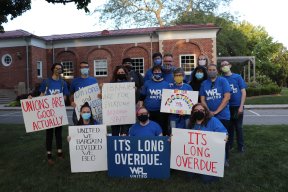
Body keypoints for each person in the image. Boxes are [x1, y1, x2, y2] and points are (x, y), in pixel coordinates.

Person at [36, 63, 69, 165]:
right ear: (52, 69)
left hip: (58, 112)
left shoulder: (63, 83)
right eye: (57, 68)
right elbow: (41, 95)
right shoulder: (46, 82)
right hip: (48, 113)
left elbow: (65, 97)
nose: (59, 70)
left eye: (60, 68)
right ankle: (49, 155)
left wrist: (58, 97)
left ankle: (59, 153)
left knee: (59, 134)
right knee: (49, 134)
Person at [199, 64, 231, 166]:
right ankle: (212, 158)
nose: (211, 71)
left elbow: (227, 97)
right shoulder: (204, 83)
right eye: (209, 70)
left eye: (213, 70)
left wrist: (216, 111)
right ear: (207, 72)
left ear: (217, 71)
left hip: (223, 115)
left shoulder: (223, 81)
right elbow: (202, 99)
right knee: (210, 139)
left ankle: (225, 158)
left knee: (223, 138)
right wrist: (208, 112)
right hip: (208, 116)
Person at [187, 103, 227, 183]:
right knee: (189, 176)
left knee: (207, 180)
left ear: (205, 112)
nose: (199, 112)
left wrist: (224, 139)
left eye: (202, 110)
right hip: (196, 154)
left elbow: (224, 134)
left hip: (211, 155)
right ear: (192, 112)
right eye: (196, 110)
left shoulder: (213, 121)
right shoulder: (191, 123)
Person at [221, 61, 247, 152]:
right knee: (230, 127)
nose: (224, 66)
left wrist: (241, 106)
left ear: (230, 66)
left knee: (238, 127)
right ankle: (230, 145)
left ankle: (241, 146)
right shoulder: (221, 79)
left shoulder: (237, 77)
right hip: (227, 107)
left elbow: (243, 92)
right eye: (222, 65)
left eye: (226, 64)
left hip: (237, 106)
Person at [138, 65, 170, 135]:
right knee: (149, 128)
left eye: (159, 71)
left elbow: (169, 99)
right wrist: (141, 107)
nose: (157, 73)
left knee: (162, 129)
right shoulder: (147, 83)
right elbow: (142, 97)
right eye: (155, 71)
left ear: (162, 72)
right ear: (152, 73)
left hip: (161, 112)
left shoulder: (166, 84)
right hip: (149, 111)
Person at [110, 65, 131, 136]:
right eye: (119, 72)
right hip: (114, 114)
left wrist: (135, 91)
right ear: (116, 74)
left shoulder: (130, 85)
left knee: (124, 135)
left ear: (125, 73)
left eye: (122, 72)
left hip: (126, 113)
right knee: (115, 134)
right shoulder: (111, 85)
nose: (120, 74)